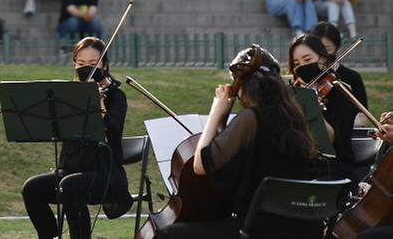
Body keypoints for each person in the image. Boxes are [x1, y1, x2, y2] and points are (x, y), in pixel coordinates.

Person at [158, 47, 320, 239]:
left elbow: (200, 165)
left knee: (168, 235)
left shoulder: (250, 118)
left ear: (244, 85)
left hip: (257, 230)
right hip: (300, 229)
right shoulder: (294, 118)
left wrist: (216, 113)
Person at [22, 37, 132, 239]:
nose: (87, 69)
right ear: (74, 63)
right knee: (32, 188)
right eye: (81, 64)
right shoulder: (66, 97)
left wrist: (98, 105)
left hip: (105, 174)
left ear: (104, 65)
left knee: (70, 186)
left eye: (93, 64)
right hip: (70, 170)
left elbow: (113, 130)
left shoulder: (115, 97)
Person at [287, 34, 366, 187]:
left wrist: (313, 110)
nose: (302, 66)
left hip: (334, 168)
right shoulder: (295, 92)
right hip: (303, 166)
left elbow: (329, 140)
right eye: (297, 63)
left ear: (323, 58)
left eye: (308, 59)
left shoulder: (342, 92)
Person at [307, 21, 369, 126]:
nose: (321, 54)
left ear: (337, 48)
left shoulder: (352, 78)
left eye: (327, 49)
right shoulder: (304, 76)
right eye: (317, 49)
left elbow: (363, 116)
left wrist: (340, 122)